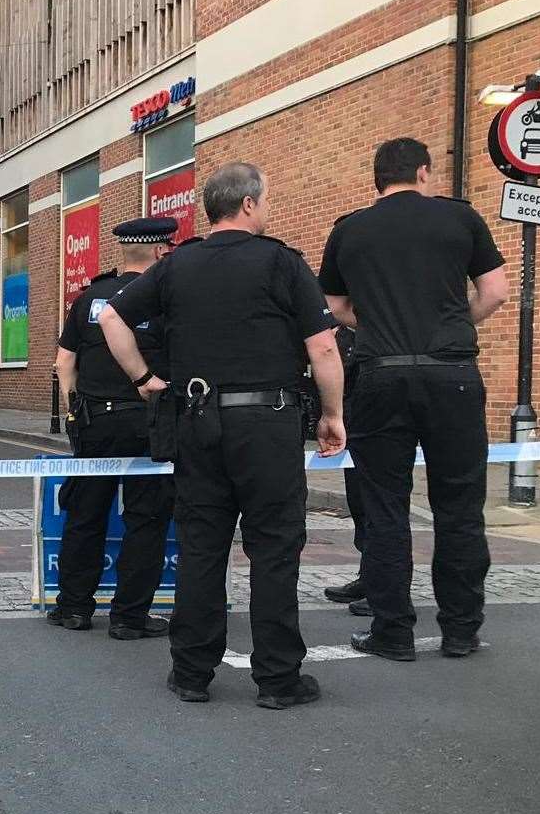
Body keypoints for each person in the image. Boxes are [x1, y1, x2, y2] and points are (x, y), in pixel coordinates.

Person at [100, 162, 346, 709]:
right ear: (251, 204)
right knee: (275, 549)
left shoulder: (176, 264)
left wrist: (144, 380)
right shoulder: (282, 263)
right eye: (269, 199)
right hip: (268, 424)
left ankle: (191, 672)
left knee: (202, 547)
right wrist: (333, 414)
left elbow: (113, 318)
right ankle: (278, 680)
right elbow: (324, 347)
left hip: (196, 418)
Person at [319, 137, 508, 662]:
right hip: (453, 375)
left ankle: (393, 632)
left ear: (378, 179)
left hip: (381, 375)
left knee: (384, 508)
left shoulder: (350, 229)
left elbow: (333, 305)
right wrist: (450, 325)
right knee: (460, 505)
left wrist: (377, 323)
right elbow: (495, 291)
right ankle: (461, 629)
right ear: (423, 173)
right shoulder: (460, 220)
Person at [48, 216, 178, 639]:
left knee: (86, 514)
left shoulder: (89, 298)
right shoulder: (166, 297)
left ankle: (72, 608)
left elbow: (63, 362)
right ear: (160, 251)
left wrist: (72, 412)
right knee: (147, 520)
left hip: (95, 422)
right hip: (148, 423)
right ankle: (128, 617)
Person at [321, 324, 373, 618]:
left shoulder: (363, 326)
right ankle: (369, 577)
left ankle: (383, 584)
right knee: (359, 502)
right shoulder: (345, 329)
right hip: (353, 418)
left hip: (369, 416)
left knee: (374, 503)